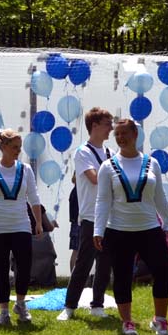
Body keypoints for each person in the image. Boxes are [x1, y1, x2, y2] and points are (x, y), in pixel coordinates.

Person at [93, 119, 168, 335]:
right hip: (119, 230)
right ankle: (127, 321)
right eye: (117, 134)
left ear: (135, 134)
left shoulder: (152, 163)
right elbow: (102, 200)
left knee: (163, 272)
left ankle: (160, 319)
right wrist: (98, 230)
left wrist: (167, 222)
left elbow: (159, 196)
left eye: (124, 133)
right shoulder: (107, 166)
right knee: (121, 276)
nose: (120, 138)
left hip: (149, 228)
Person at [0, 128, 43, 325]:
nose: (18, 151)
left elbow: (34, 197)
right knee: (2, 269)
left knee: (24, 266)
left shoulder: (25, 169)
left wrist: (38, 222)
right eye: (14, 147)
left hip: (21, 224)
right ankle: (3, 311)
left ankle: (21, 304)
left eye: (19, 148)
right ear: (3, 147)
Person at [57, 107, 114, 321]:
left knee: (105, 262)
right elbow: (94, 178)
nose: (111, 129)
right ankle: (70, 307)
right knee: (84, 262)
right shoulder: (83, 151)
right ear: (95, 125)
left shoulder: (110, 153)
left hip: (109, 216)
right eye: (107, 124)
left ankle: (97, 304)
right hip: (91, 215)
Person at [68, 174, 80, 271]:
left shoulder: (74, 191)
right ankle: (74, 276)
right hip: (78, 223)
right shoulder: (79, 191)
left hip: (75, 223)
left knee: (75, 251)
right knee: (77, 251)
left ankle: (73, 276)